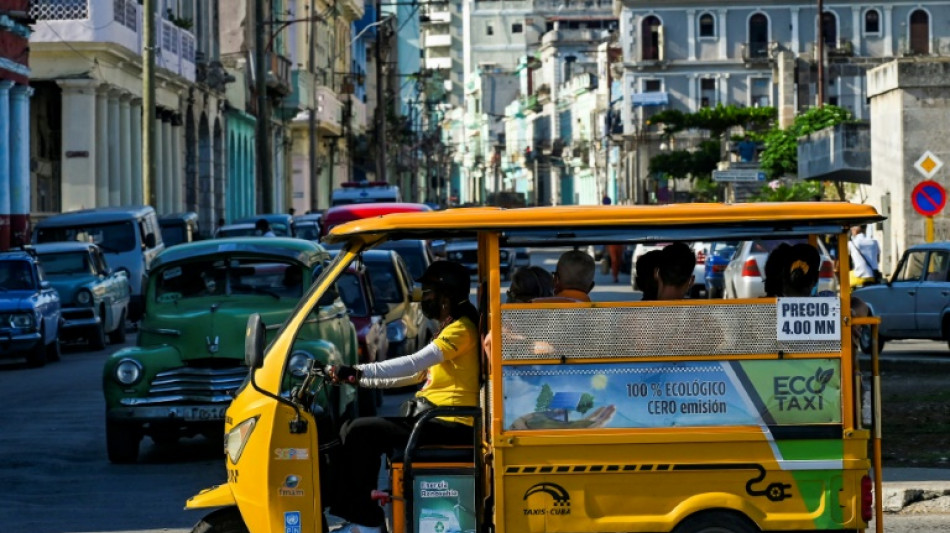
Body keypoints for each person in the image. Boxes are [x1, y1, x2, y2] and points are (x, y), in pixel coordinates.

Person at [326, 261, 480, 533]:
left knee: (362, 431)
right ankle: (356, 510)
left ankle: (366, 518)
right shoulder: (451, 326)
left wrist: (358, 369)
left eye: (427, 292)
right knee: (349, 428)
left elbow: (413, 363)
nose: (423, 298)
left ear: (445, 295)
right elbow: (414, 376)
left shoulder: (461, 330)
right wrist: (358, 378)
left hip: (452, 424)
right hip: (437, 419)